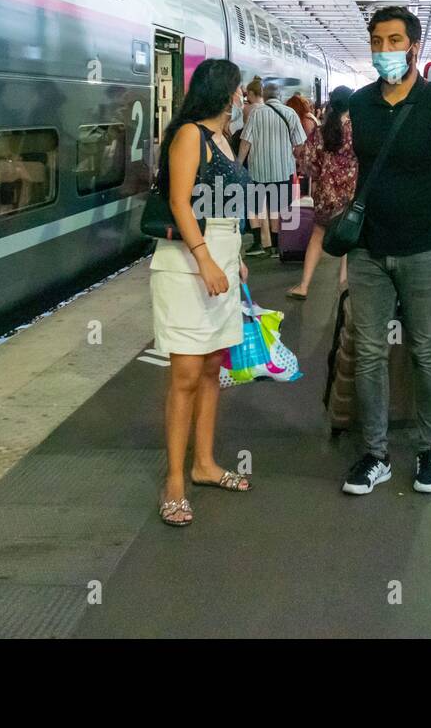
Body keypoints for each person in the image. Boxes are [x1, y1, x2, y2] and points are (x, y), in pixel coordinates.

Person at [342, 6, 431, 497]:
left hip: (424, 251)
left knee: (426, 351)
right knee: (369, 353)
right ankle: (375, 453)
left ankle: (429, 449)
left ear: (414, 47)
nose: (385, 50)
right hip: (368, 252)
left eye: (394, 40)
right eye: (377, 41)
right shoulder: (359, 105)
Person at [150, 59, 253, 527]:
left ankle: (204, 464)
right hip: (188, 266)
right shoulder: (190, 134)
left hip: (221, 259)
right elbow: (178, 200)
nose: (242, 97)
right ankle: (175, 479)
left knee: (212, 367)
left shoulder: (223, 140)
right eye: (238, 90)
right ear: (224, 92)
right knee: (187, 372)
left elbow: (222, 205)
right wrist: (207, 258)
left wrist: (233, 257)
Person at [287, 87, 357, 300]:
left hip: (325, 193)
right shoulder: (358, 129)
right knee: (349, 237)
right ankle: (344, 285)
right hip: (352, 192)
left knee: (317, 236)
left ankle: (304, 285)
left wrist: (322, 175)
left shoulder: (321, 131)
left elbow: (308, 163)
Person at [238, 81, 307, 257]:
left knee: (258, 207)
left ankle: (260, 243)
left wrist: (238, 164)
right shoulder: (290, 113)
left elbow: (246, 141)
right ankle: (277, 246)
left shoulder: (256, 114)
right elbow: (300, 144)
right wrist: (297, 160)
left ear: (265, 95)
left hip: (258, 170)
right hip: (283, 169)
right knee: (280, 206)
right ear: (280, 96)